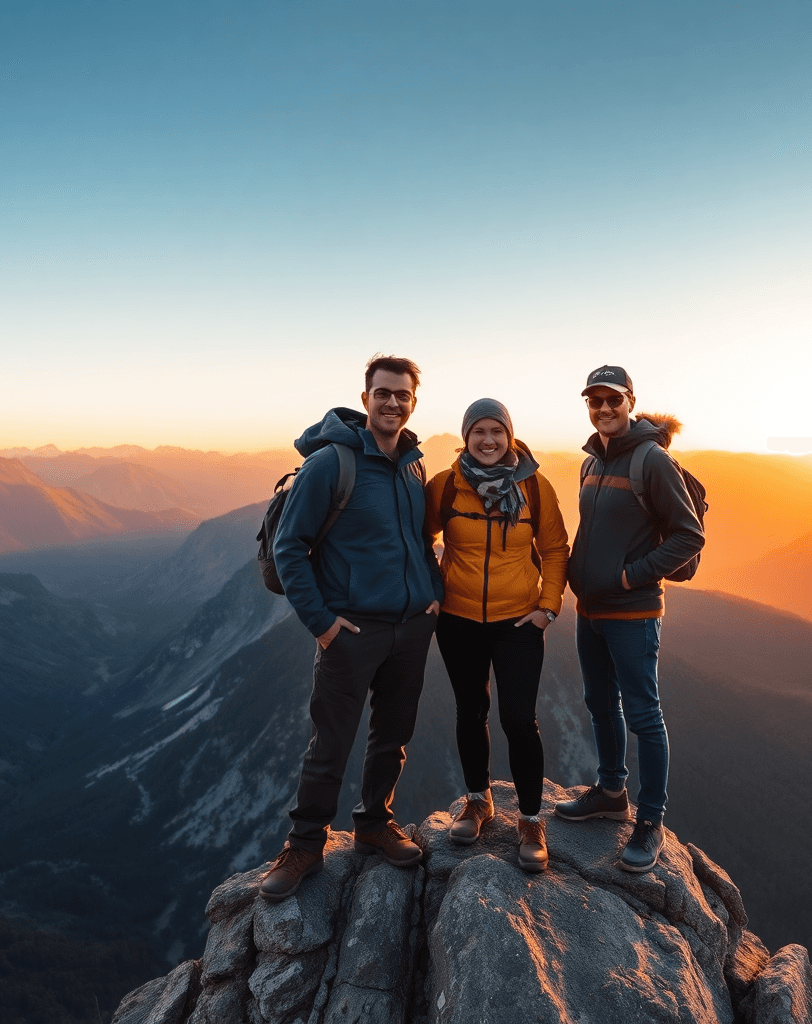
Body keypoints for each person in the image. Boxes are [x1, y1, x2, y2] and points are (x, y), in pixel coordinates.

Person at [259, 355, 443, 901]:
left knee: (394, 733)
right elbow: (290, 548)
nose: (392, 403)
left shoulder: (413, 465)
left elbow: (419, 538)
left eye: (402, 395)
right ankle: (304, 845)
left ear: (414, 402)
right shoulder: (331, 463)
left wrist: (431, 593)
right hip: (351, 629)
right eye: (382, 393)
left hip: (410, 626)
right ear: (365, 399)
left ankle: (372, 824)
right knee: (331, 740)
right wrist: (321, 623)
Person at [557, 365, 704, 872]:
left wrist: (628, 577)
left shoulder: (652, 460)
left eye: (612, 400)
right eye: (594, 401)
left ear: (631, 401)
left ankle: (650, 820)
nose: (603, 408)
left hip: (633, 611)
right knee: (600, 701)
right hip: (590, 610)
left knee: (643, 713)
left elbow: (689, 537)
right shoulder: (590, 462)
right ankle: (611, 791)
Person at [424, 399, 569, 872]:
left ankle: (530, 820)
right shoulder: (444, 487)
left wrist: (548, 607)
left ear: (510, 436)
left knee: (518, 719)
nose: (488, 440)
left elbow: (553, 549)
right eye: (479, 431)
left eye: (497, 431)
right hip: (458, 617)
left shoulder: (534, 486)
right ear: (465, 436)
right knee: (471, 709)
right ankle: (478, 801)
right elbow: (420, 539)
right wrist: (431, 588)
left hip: (518, 620)